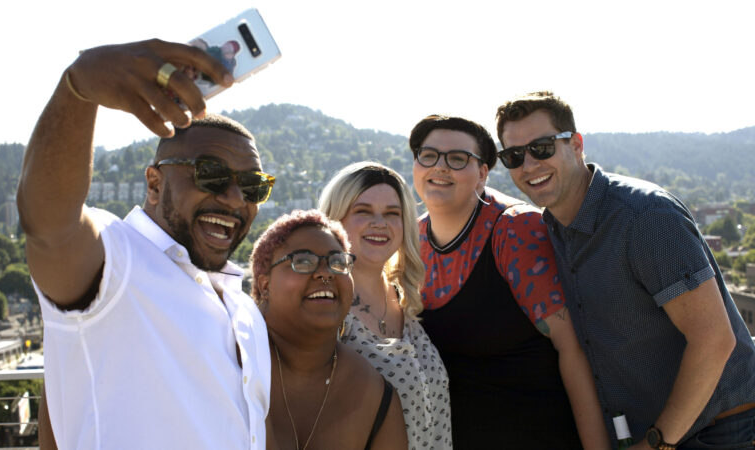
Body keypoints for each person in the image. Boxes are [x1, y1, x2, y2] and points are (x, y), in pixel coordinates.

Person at [18, 39, 273, 448]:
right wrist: (78, 88)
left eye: (253, 186)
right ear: (154, 183)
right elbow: (48, 224)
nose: (233, 198)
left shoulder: (243, 309)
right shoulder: (115, 265)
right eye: (210, 174)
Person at [495, 91, 755, 449]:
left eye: (541, 148)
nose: (528, 165)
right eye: (513, 156)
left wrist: (657, 443)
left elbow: (714, 340)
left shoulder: (644, 217)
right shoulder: (552, 228)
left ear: (576, 144)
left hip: (719, 432)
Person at [408, 114, 609, 449]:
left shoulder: (515, 230)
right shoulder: (411, 240)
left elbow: (572, 348)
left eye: (458, 159)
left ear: (483, 173)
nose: (440, 167)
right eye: (428, 155)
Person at [319, 162, 453, 449]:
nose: (379, 223)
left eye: (392, 214)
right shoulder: (325, 309)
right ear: (335, 220)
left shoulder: (408, 300)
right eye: (363, 211)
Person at [249, 209, 408, 449]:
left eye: (338, 262)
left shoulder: (375, 396)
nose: (325, 273)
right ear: (264, 285)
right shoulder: (230, 363)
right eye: (302, 261)